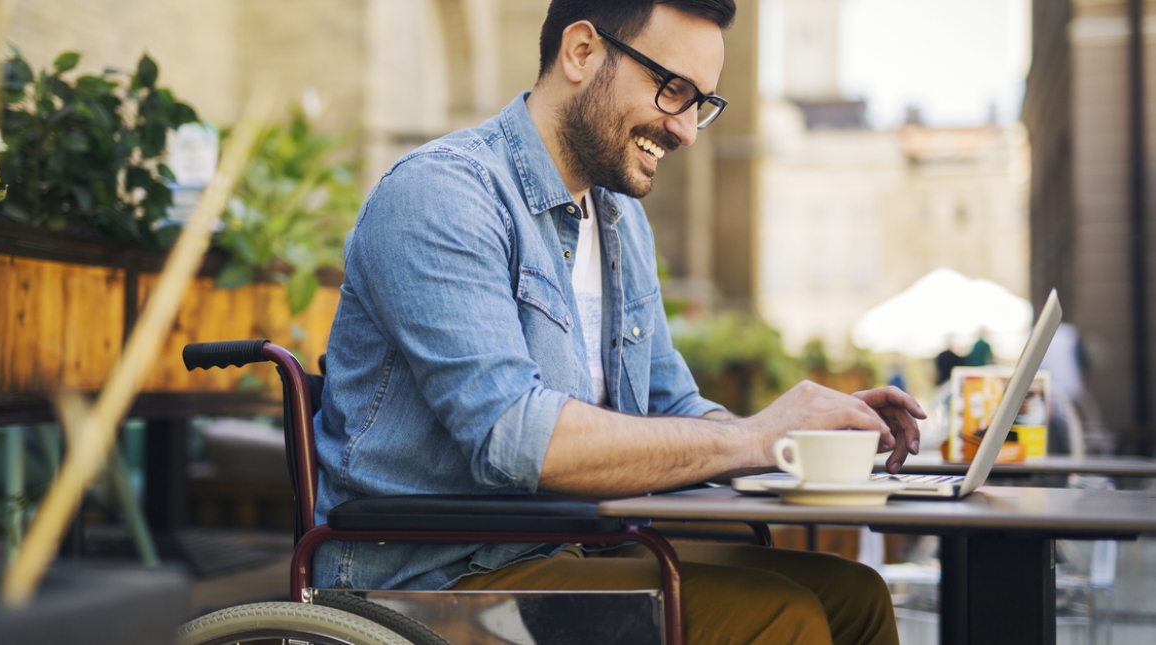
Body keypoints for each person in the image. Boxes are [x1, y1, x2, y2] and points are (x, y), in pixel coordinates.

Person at [315, 1, 926, 643]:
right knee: (782, 616)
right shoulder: (442, 195)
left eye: (702, 104)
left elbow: (672, 404)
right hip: (435, 585)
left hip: (573, 554)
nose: (687, 129)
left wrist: (808, 436)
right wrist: (755, 439)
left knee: (852, 594)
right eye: (673, 90)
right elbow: (516, 435)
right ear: (581, 51)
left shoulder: (619, 219)